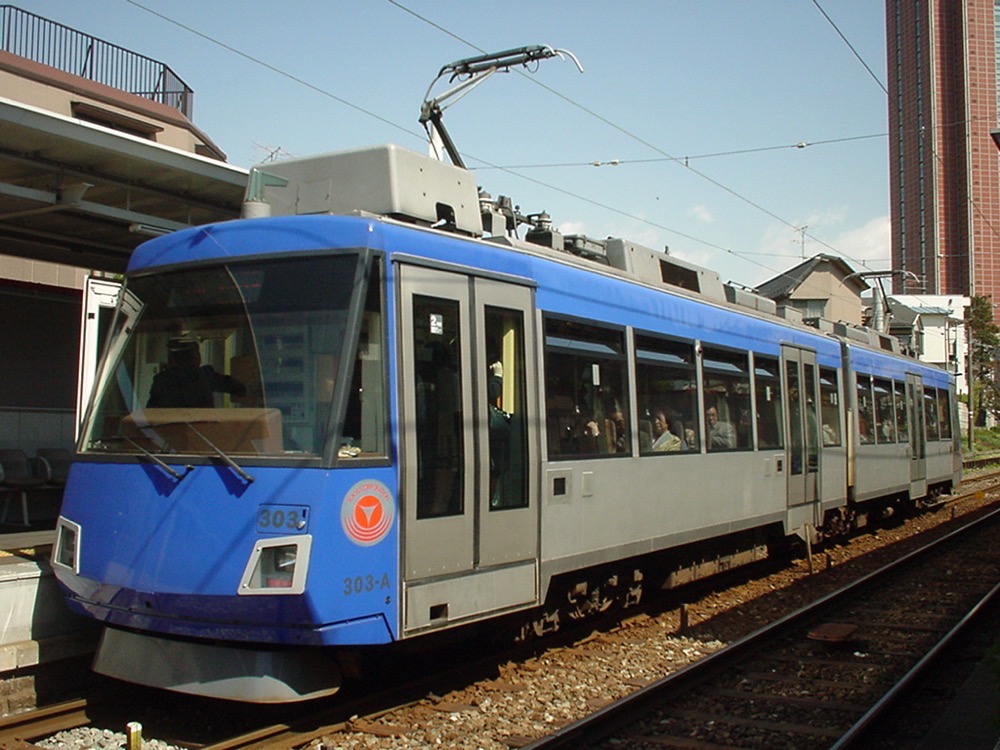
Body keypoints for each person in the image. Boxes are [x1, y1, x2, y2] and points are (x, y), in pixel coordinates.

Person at [147, 339, 246, 408]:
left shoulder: (161, 380)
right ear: (197, 358)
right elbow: (240, 389)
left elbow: (150, 412)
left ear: (172, 360)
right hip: (203, 431)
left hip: (169, 433)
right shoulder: (206, 375)